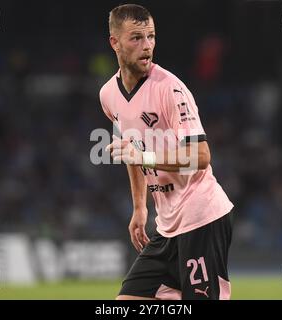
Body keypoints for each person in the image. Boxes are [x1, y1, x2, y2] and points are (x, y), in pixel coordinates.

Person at [100, 4, 234, 300]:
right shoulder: (108, 95)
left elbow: (200, 156)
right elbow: (129, 150)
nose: (146, 46)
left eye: (151, 37)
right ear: (115, 43)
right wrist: (139, 207)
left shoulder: (171, 89)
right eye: (136, 38)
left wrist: (144, 156)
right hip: (167, 225)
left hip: (201, 218)